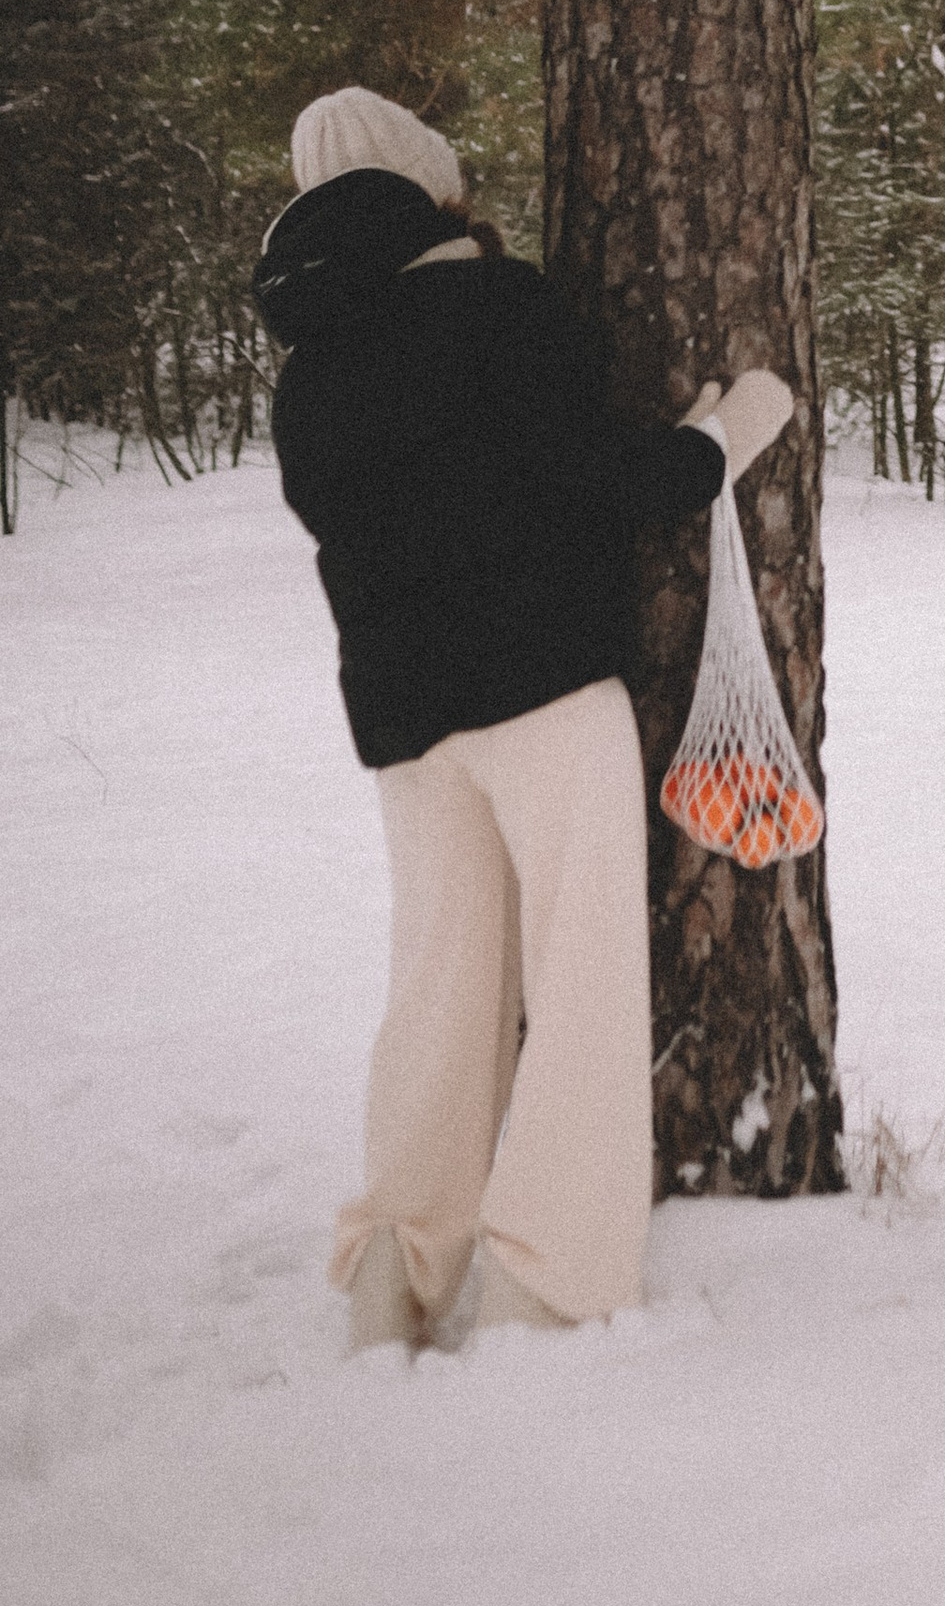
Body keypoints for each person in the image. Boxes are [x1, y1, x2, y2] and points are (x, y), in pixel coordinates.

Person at [257, 88, 793, 1354]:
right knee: (580, 978)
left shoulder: (306, 373)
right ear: (428, 185)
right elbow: (592, 480)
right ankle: (548, 1283)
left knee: (438, 991)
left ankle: (393, 1270)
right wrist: (722, 440)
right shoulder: (502, 307)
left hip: (407, 726)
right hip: (546, 691)